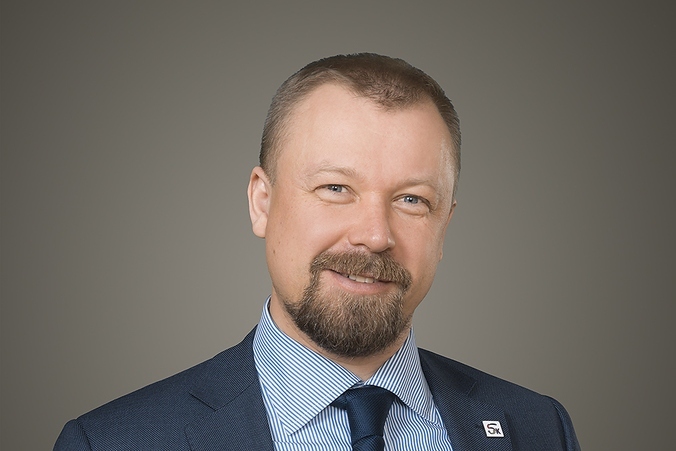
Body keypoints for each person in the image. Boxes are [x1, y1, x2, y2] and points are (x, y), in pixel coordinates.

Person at [54, 53, 580, 450]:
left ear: (444, 225)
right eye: (335, 188)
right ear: (262, 203)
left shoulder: (540, 428)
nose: (375, 235)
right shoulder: (112, 442)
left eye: (412, 200)